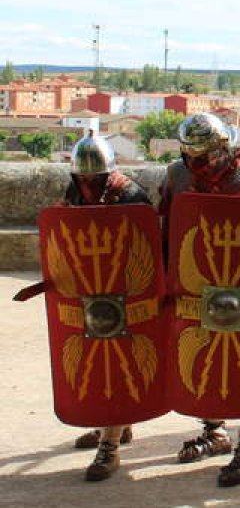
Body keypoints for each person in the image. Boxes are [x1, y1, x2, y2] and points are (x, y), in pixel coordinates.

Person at [159, 112, 240, 487]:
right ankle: (213, 431)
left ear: (224, 148)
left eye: (203, 157)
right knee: (203, 358)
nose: (195, 165)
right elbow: (166, 226)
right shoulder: (179, 175)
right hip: (196, 284)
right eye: (190, 156)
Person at [59, 133, 152, 481]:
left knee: (117, 366)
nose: (84, 182)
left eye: (90, 177)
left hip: (126, 295)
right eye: (80, 177)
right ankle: (114, 428)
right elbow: (65, 233)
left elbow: (145, 248)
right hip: (90, 295)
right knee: (95, 365)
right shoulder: (74, 192)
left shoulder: (130, 195)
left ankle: (109, 446)